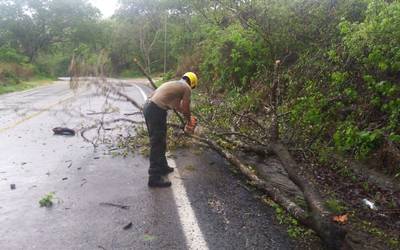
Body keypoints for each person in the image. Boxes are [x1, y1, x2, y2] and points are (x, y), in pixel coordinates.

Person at [143, 72, 198, 188]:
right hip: (156, 110)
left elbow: (178, 107)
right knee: (157, 143)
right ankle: (154, 177)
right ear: (192, 83)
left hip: (150, 108)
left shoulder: (175, 84)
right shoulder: (186, 88)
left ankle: (162, 166)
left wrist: (188, 116)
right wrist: (189, 120)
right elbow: (185, 107)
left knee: (161, 139)